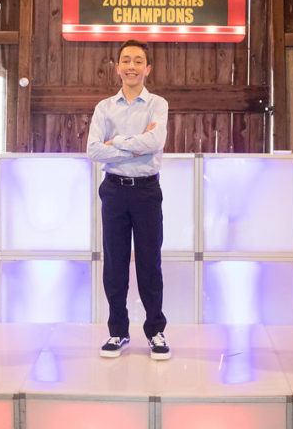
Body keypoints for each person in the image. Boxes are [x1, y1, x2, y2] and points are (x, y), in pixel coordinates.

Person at [86, 39, 170, 360]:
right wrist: (136, 147)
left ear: (147, 68)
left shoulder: (157, 104)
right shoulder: (104, 108)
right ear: (117, 67)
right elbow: (94, 150)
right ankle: (118, 331)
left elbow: (155, 141)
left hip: (147, 191)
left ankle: (155, 331)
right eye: (126, 60)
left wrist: (117, 142)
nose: (131, 66)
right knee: (115, 263)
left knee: (150, 263)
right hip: (114, 191)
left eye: (138, 61)